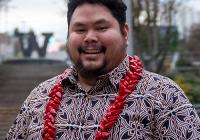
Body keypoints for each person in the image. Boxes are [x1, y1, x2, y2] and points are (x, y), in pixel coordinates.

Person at [6, 0, 200, 139]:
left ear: (124, 33)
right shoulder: (39, 96)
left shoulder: (164, 96)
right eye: (80, 29)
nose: (89, 37)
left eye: (101, 28)